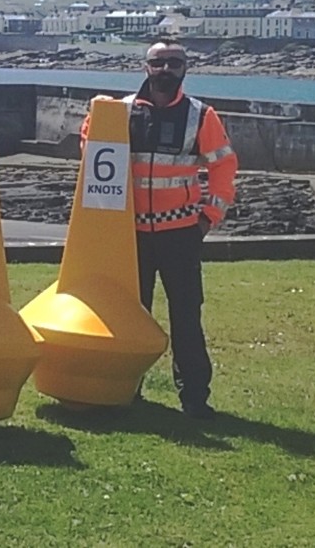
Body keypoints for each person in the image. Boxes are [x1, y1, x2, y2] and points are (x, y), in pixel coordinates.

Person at [82, 39, 237, 419]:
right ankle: (125, 389)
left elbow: (224, 166)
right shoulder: (117, 111)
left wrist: (207, 219)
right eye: (159, 62)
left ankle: (195, 399)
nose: (166, 69)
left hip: (181, 235)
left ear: (185, 68)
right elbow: (89, 148)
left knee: (186, 317)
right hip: (128, 236)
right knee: (129, 316)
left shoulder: (201, 115)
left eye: (174, 62)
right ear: (145, 67)